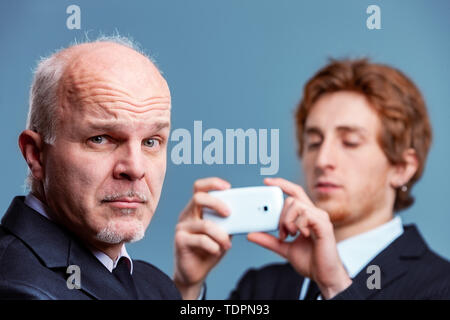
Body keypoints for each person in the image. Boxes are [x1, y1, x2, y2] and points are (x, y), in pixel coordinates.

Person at [173, 58, 450, 300]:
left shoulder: (441, 286)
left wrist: (334, 286)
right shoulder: (261, 287)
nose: (322, 160)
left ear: (402, 167)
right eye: (314, 142)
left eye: (350, 142)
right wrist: (187, 288)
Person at [0, 36, 181, 299]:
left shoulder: (155, 284)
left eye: (151, 141)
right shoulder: (18, 289)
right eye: (100, 139)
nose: (135, 168)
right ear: (36, 154)